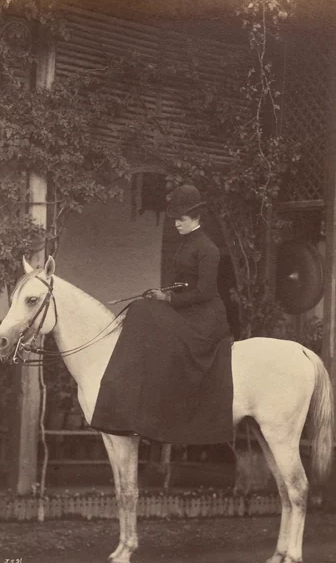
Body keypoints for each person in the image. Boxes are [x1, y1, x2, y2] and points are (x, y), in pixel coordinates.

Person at [90, 183, 235, 446]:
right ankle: (130, 402)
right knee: (142, 308)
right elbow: (184, 282)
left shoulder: (208, 249)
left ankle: (148, 409)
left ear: (196, 218)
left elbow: (204, 292)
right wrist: (164, 292)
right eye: (175, 220)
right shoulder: (186, 243)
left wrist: (168, 299)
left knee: (143, 312)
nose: (176, 224)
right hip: (187, 310)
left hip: (205, 319)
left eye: (181, 219)